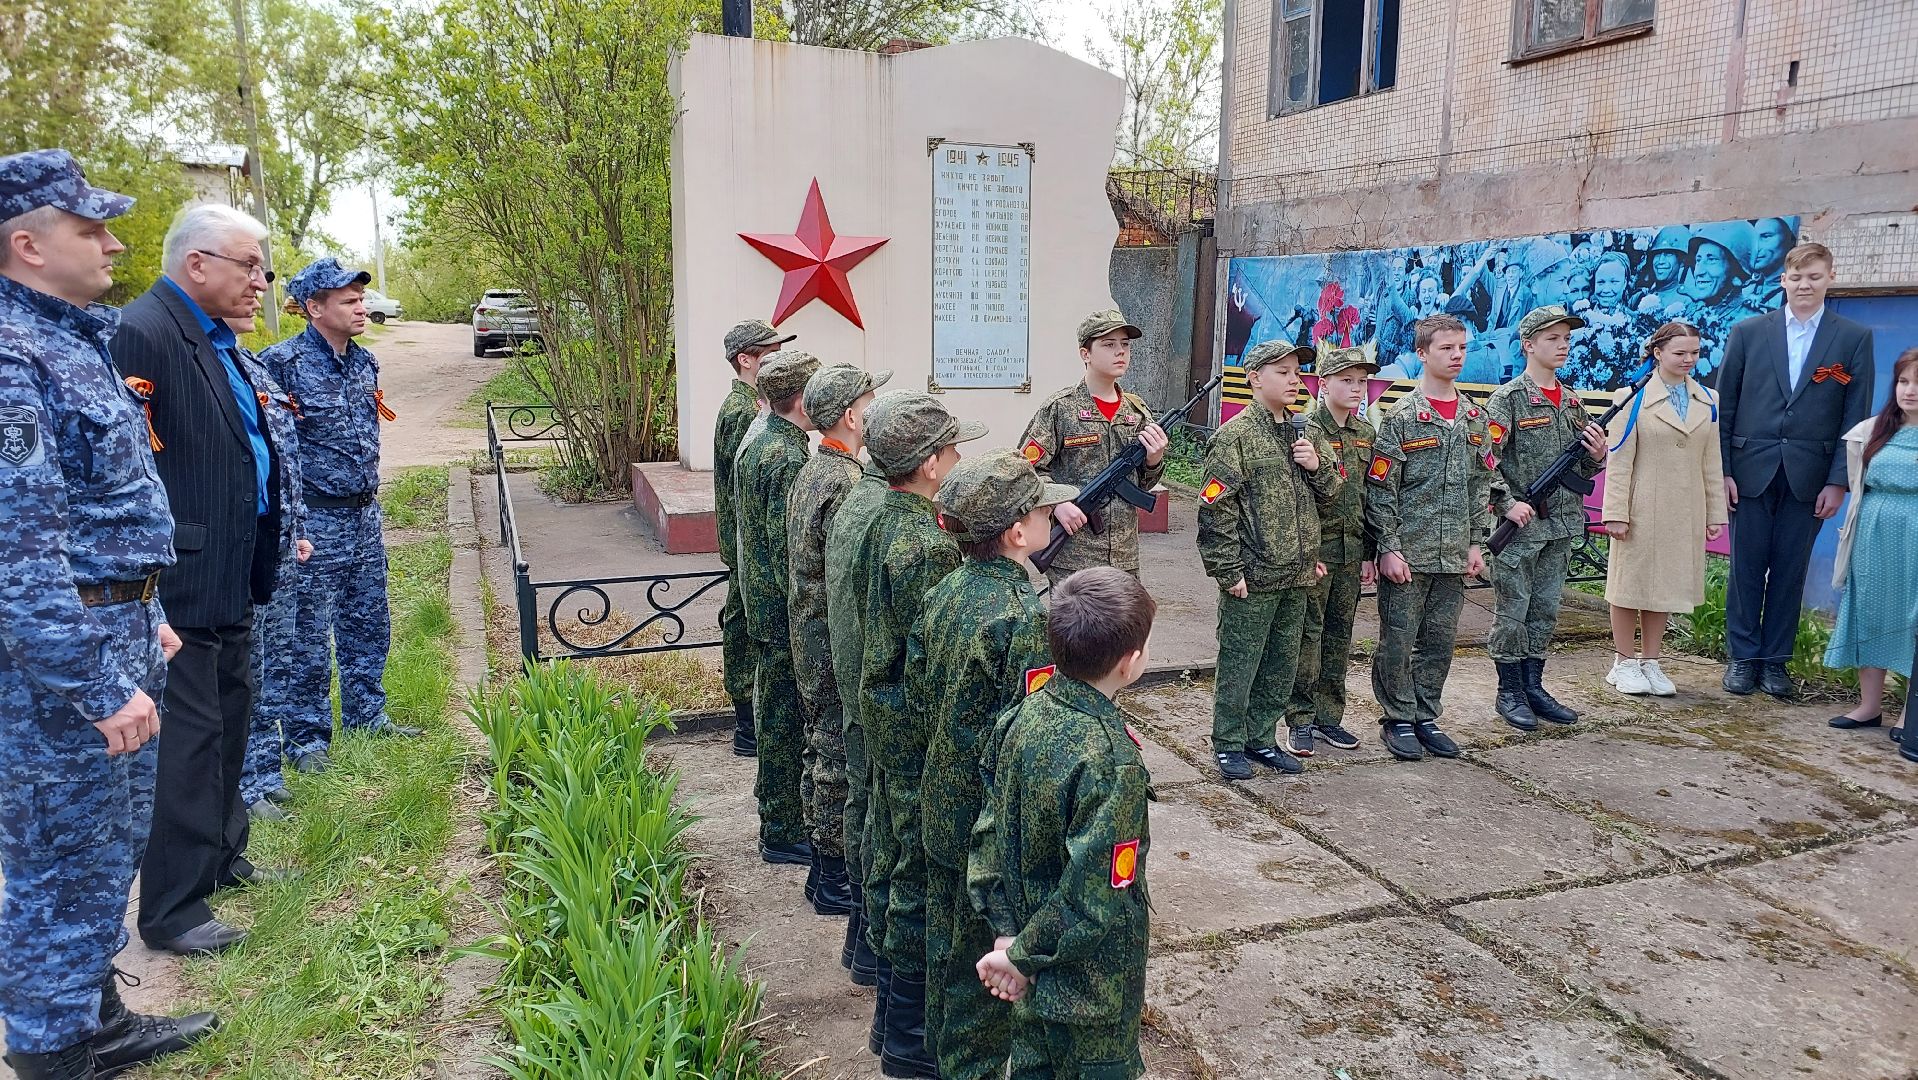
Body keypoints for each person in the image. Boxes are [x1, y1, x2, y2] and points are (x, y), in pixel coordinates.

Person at [0, 148, 218, 1080]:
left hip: (117, 623)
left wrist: (148, 609)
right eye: (89, 228)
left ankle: (87, 1015)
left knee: (103, 846)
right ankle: (55, 1051)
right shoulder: (12, 356)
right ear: (27, 243)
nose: (113, 242)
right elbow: (17, 554)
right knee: (61, 851)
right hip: (63, 656)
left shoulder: (69, 335)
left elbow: (101, 509)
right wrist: (97, 680)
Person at [113, 202, 289, 956]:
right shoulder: (144, 332)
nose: (262, 281)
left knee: (228, 721)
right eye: (249, 266)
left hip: (226, 573)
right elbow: (128, 469)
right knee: (187, 742)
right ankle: (174, 910)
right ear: (197, 265)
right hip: (178, 580)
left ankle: (221, 859)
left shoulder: (218, 338)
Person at [911, 450, 1075, 1080]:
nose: (1046, 517)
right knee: (988, 964)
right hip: (988, 810)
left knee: (951, 947)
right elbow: (1029, 732)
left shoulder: (949, 589)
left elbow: (923, 688)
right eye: (1038, 509)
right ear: (1015, 533)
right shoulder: (1023, 616)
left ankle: (936, 1058)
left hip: (941, 791)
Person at [968, 567, 1155, 1080]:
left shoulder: (1022, 717)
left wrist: (1008, 937)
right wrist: (1021, 955)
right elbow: (1094, 895)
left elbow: (987, 833)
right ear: (1130, 662)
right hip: (1090, 989)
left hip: (1029, 964)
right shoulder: (1112, 761)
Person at [855, 392, 985, 1077]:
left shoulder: (885, 518)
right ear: (931, 463)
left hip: (887, 715)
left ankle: (891, 1024)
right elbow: (933, 657)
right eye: (954, 449)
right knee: (919, 877)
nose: (959, 459)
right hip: (915, 732)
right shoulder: (926, 547)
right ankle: (909, 1036)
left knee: (900, 860)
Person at [259, 258, 415, 777]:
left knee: (369, 618)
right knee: (308, 629)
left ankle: (367, 714)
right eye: (348, 301)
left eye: (361, 298)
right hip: (314, 521)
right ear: (314, 307)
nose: (361, 307)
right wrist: (293, 522)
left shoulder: (365, 363)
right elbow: (273, 453)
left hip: (363, 515)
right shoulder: (278, 365)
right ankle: (306, 737)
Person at [1716, 243, 1876, 699]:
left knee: (1790, 569)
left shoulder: (1852, 338)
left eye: (1814, 277)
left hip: (1810, 477)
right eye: (1797, 277)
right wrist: (1724, 470)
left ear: (1830, 278)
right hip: (1750, 470)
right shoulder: (1748, 333)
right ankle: (1742, 659)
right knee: (1746, 568)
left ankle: (1775, 663)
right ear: (1783, 280)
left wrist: (1838, 480)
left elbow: (1855, 417)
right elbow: (1726, 408)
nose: (1805, 285)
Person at [1197, 340, 1338, 780]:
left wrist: (1317, 467)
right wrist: (1227, 570)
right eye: (1282, 371)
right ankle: (1229, 743)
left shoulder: (1307, 433)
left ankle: (1261, 738)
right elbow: (1215, 508)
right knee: (1241, 662)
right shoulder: (1235, 436)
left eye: (1297, 371)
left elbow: (1333, 499)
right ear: (1254, 378)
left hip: (1296, 576)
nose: (1295, 379)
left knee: (1281, 664)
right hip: (1252, 578)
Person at [1365, 314, 1496, 761]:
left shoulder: (1475, 419)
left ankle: (1425, 715)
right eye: (1446, 348)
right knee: (1399, 640)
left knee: (1440, 640)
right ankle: (1398, 717)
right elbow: (1381, 490)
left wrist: (1477, 542)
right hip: (1409, 553)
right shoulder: (1402, 418)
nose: (1457, 356)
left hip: (1454, 552)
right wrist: (1389, 547)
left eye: (1462, 348)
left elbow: (1482, 486)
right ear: (1422, 353)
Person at [786, 361, 890, 916]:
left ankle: (823, 868)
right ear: (851, 415)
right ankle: (831, 875)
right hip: (829, 636)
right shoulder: (844, 481)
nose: (874, 414)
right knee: (834, 753)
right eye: (870, 405)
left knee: (819, 744)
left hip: (810, 627)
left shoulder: (816, 469)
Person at [1484, 305, 1608, 731]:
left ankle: (1534, 686)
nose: (1562, 346)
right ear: (1528, 345)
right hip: (1520, 528)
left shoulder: (1572, 402)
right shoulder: (1509, 399)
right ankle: (1509, 691)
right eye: (1553, 339)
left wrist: (1598, 456)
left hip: (1560, 525)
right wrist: (1506, 504)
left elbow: (1584, 468)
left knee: (1545, 610)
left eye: (1566, 339)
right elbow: (1485, 461)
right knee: (1513, 610)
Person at [1600, 322, 1727, 696]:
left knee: (1666, 585)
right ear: (1658, 353)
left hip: (1684, 508)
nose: (1688, 359)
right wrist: (1616, 512)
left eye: (1694, 353)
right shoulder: (1630, 397)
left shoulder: (1708, 399)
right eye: (1679, 353)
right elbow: (1619, 459)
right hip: (1641, 505)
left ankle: (1651, 661)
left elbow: (1711, 460)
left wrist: (1715, 512)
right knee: (1629, 585)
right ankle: (1623, 662)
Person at [733, 349, 822, 867]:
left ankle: (777, 812)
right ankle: (784, 827)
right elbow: (789, 543)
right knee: (784, 715)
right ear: (804, 399)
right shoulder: (786, 456)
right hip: (779, 606)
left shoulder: (764, 436)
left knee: (775, 708)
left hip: (761, 600)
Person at [228, 315, 312, 819]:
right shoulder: (208, 367)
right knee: (249, 667)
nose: (257, 285)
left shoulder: (254, 367)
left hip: (277, 541)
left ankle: (267, 769)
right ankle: (248, 781)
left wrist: (296, 527)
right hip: (239, 546)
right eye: (246, 270)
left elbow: (281, 460)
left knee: (276, 658)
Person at [1018, 310, 1169, 586]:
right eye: (1109, 344)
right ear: (1085, 354)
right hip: (1075, 556)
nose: (1120, 352)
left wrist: (1154, 460)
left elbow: (1144, 484)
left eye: (1125, 344)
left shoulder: (1137, 412)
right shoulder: (1061, 409)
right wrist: (1058, 502)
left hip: (1124, 556)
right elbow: (1025, 468)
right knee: (1076, 629)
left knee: (1123, 629)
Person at [1288, 343, 1379, 754]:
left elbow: (1371, 499)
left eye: (1362, 381)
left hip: (1351, 550)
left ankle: (1329, 717)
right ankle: (1301, 718)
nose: (1357, 388)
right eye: (1347, 381)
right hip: (1316, 551)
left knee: (1340, 635)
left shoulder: (1365, 434)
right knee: (1308, 634)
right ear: (1323, 384)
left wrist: (1369, 554)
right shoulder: (1305, 431)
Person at [1825, 348, 1918, 734]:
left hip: (1913, 536)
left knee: (1912, 619)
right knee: (1871, 612)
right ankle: (1869, 706)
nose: (1910, 391)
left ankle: (1909, 715)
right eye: (1904, 381)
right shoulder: (1872, 430)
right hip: (1873, 536)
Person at [715, 318, 794, 756]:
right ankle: (747, 725)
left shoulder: (748, 406)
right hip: (748, 543)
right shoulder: (745, 411)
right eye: (768, 354)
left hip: (744, 540)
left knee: (744, 624)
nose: (777, 359)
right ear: (745, 361)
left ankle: (750, 722)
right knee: (744, 629)